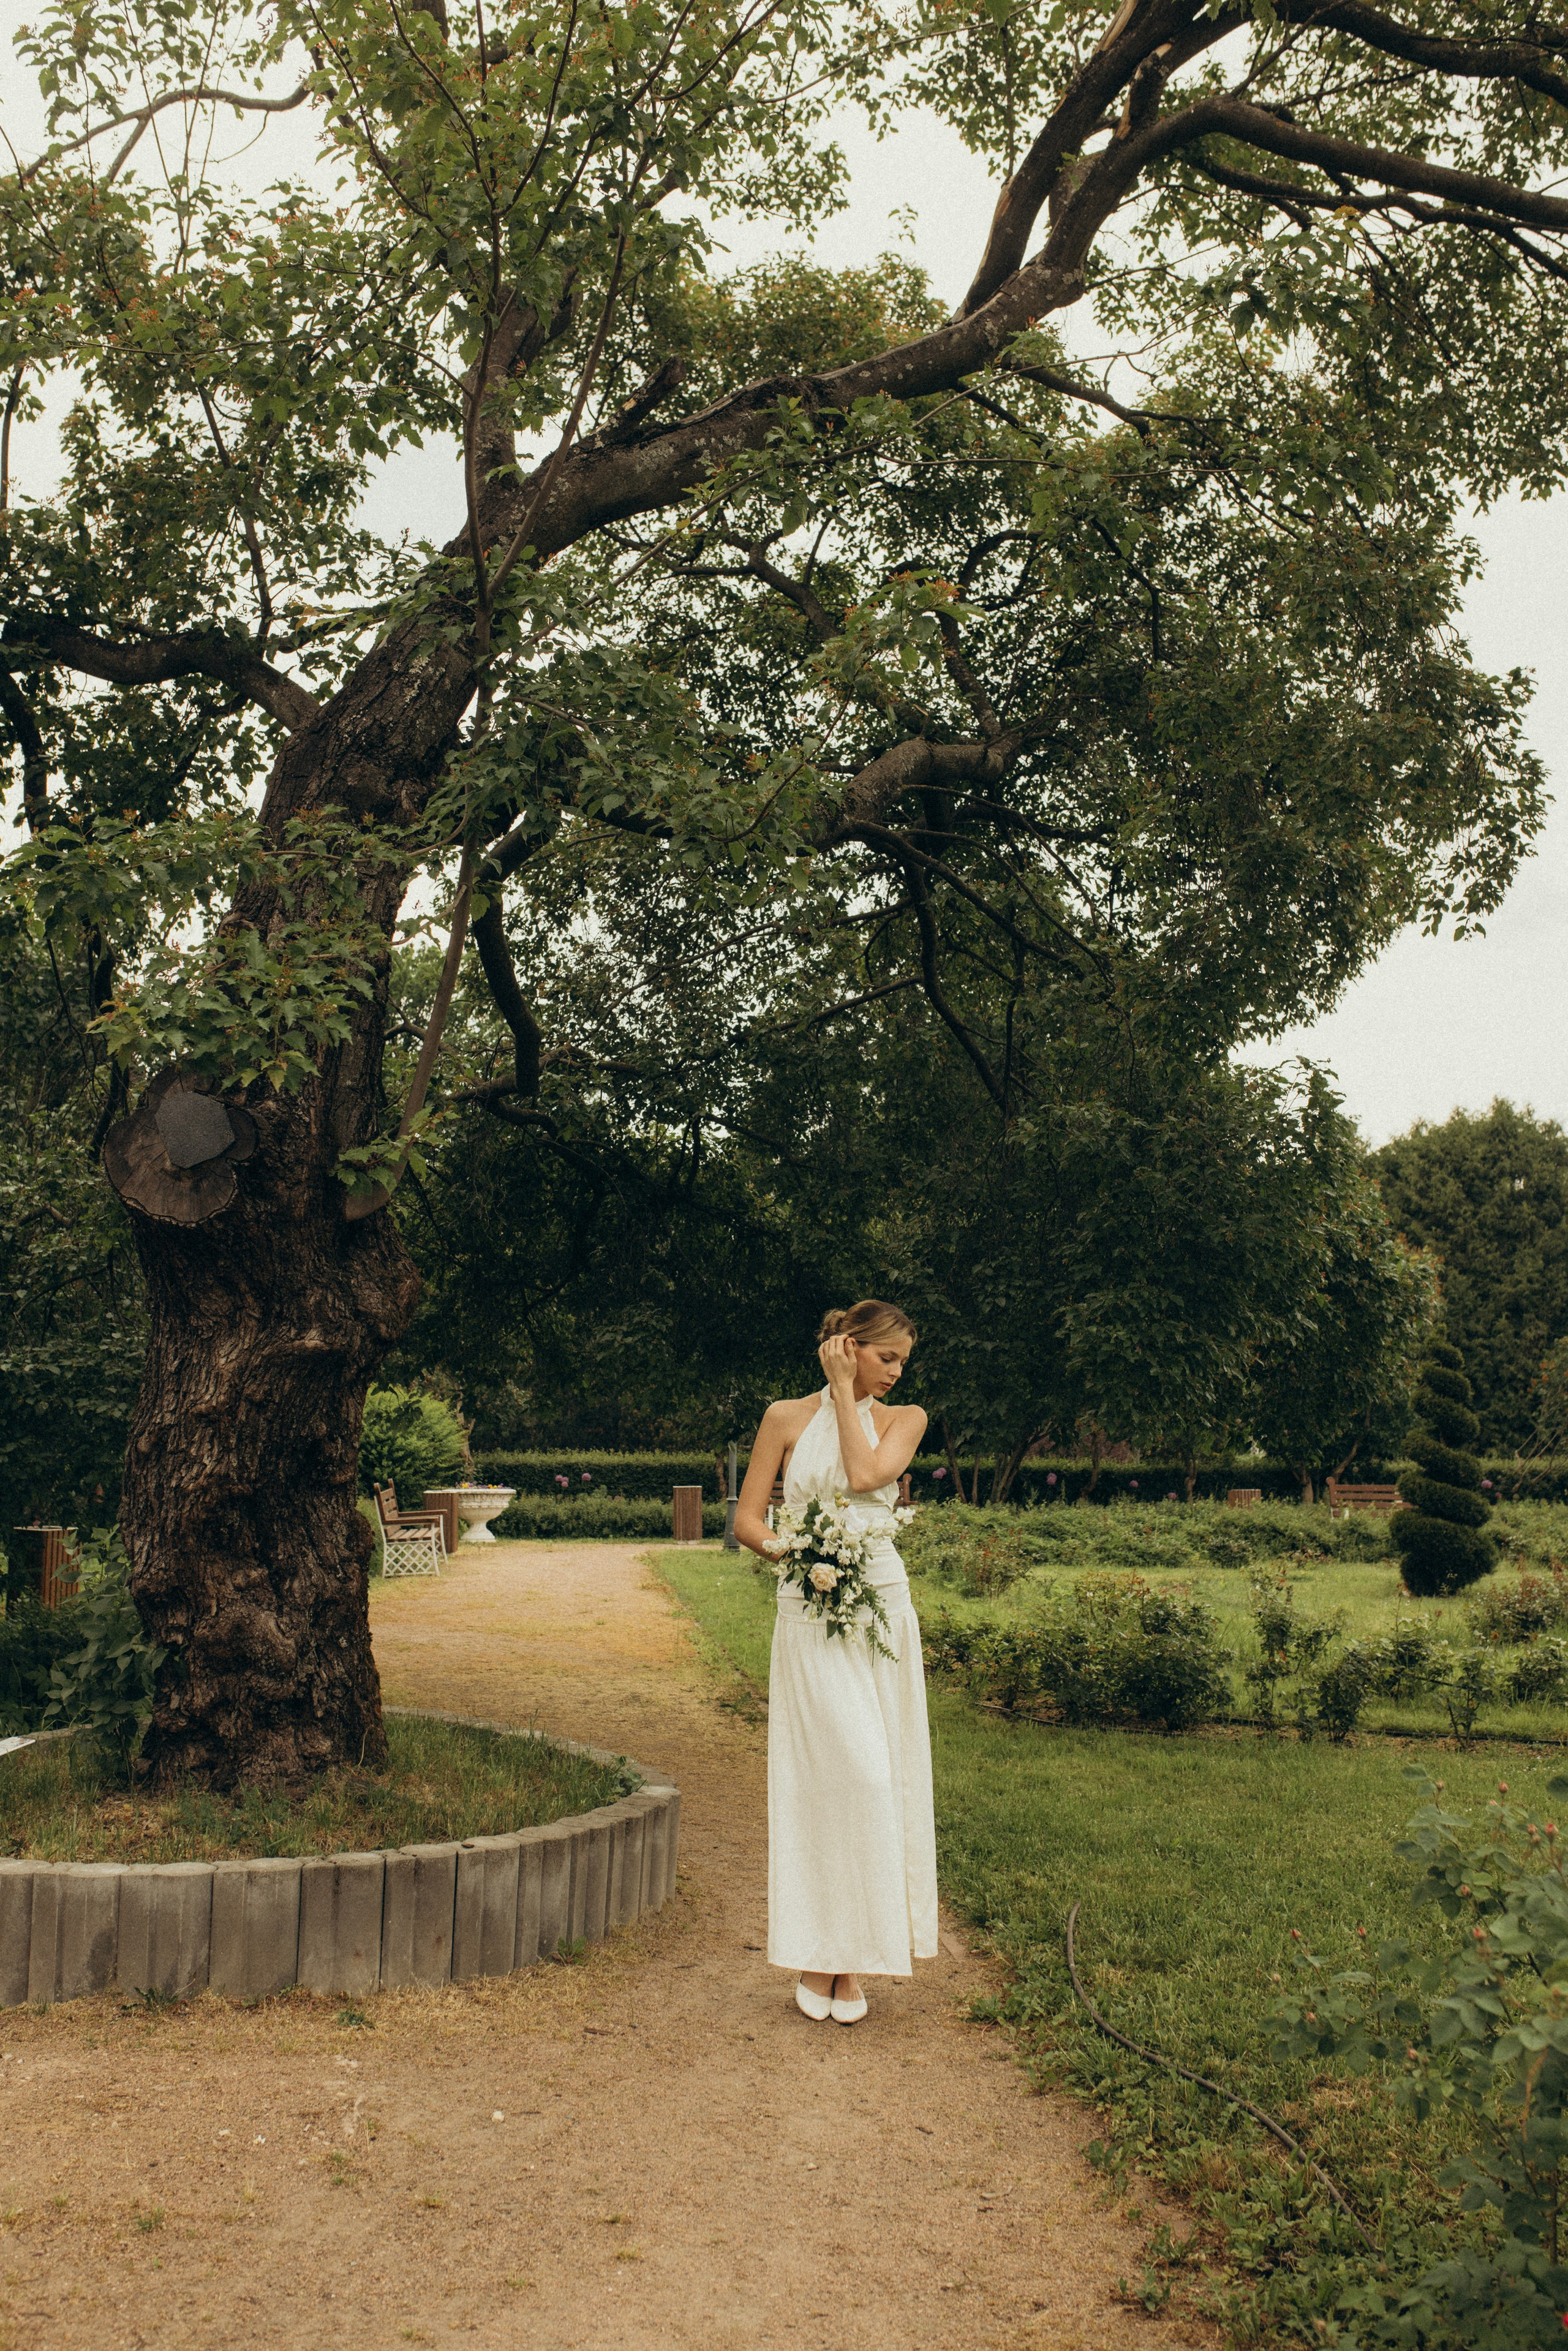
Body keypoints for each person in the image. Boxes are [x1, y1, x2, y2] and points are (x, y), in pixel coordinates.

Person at [734, 1300, 938, 2026]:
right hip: (808, 1609)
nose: (897, 1372)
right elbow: (747, 1521)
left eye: (902, 1362)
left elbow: (861, 1473)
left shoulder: (905, 1418)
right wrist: (801, 1556)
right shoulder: (783, 1418)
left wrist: (849, 1398)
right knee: (833, 1777)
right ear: (852, 1348)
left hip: (881, 1605)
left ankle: (848, 1962)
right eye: (887, 1358)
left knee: (878, 1779)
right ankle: (817, 1949)